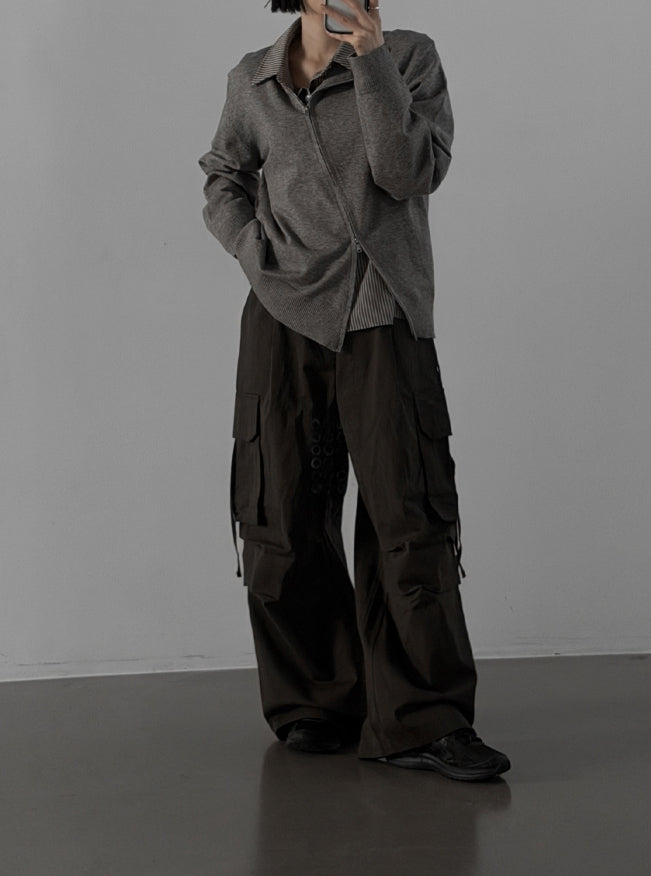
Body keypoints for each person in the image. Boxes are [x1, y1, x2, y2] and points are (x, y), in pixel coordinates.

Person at [198, 0, 511, 781]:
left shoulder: (406, 56)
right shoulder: (252, 79)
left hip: (381, 311)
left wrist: (370, 62)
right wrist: (251, 248)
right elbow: (224, 174)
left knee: (409, 514)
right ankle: (316, 700)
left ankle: (424, 720)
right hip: (281, 314)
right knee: (279, 513)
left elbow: (407, 173)